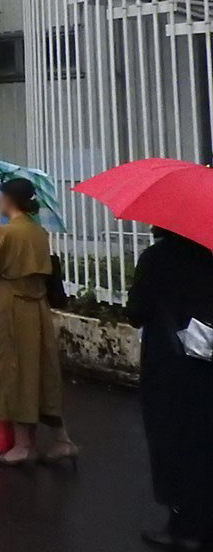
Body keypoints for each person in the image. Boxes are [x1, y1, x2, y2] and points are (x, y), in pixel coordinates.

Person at [0, 177, 77, 465]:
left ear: (9, 199)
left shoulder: (10, 232)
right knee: (41, 370)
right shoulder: (37, 231)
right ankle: (62, 440)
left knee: (15, 369)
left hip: (12, 307)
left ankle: (23, 446)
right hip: (37, 307)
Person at [127, 227, 213, 550]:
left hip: (167, 365)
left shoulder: (155, 258)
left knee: (170, 441)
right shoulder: (208, 256)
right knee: (203, 439)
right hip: (204, 366)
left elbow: (136, 312)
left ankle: (182, 525)